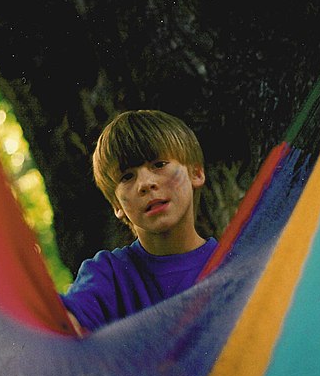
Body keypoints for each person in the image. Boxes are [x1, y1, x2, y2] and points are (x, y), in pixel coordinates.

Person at [61, 109, 218, 332]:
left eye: (159, 164)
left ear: (196, 173)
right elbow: (65, 327)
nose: (145, 183)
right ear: (117, 206)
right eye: (127, 177)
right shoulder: (109, 275)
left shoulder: (235, 266)